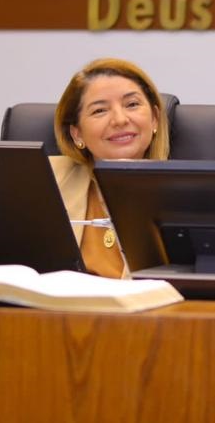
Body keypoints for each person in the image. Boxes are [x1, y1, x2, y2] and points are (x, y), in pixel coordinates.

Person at [52, 58, 170, 278]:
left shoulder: (182, 194)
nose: (119, 119)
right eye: (99, 111)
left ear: (154, 119)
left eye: (132, 104)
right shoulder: (45, 180)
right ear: (77, 133)